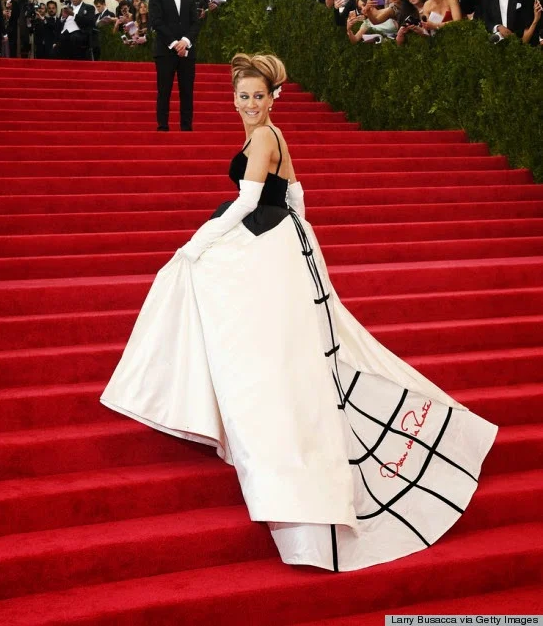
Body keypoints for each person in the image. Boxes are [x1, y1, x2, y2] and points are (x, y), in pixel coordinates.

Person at [100, 51, 497, 573]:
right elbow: (297, 191)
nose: (249, 105)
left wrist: (196, 243)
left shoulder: (265, 136)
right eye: (242, 96)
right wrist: (302, 235)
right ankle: (216, 410)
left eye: (257, 97)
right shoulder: (273, 135)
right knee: (262, 335)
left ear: (272, 98)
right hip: (280, 240)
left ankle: (221, 414)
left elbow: (247, 202)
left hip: (266, 239)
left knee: (207, 292)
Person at [149, 0, 200, 132]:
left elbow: (195, 23)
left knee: (187, 91)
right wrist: (173, 43)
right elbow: (157, 22)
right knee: (164, 91)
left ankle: (187, 128)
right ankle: (162, 126)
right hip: (165, 51)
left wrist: (185, 41)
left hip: (187, 50)